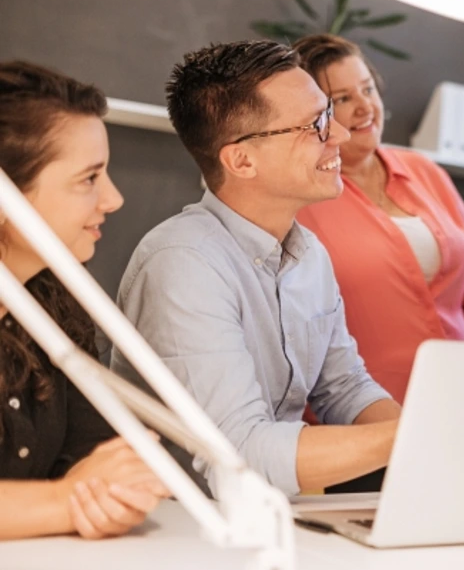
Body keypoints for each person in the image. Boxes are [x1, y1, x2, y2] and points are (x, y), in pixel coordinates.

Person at [111, 41, 407, 498]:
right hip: (187, 533)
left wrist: (436, 444)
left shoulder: (308, 254)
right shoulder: (183, 263)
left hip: (278, 520)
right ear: (241, 160)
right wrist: (418, 432)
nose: (340, 137)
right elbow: (241, 456)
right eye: (315, 126)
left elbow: (345, 388)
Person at [0, 61, 167, 539]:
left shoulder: (54, 304)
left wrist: (110, 499)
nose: (113, 199)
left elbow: (103, 459)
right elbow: (78, 490)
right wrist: (63, 503)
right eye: (89, 178)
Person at [292, 34, 464, 406]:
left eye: (368, 89)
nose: (365, 106)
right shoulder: (301, 200)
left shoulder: (426, 171)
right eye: (343, 99)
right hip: (365, 412)